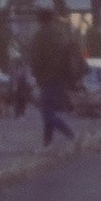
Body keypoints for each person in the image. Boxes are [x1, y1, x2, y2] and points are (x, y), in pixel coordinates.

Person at [27, 10, 82, 148]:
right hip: (61, 77)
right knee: (49, 110)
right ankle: (47, 143)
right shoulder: (61, 34)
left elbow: (36, 60)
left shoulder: (40, 37)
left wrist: (36, 74)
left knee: (46, 113)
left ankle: (71, 135)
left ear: (39, 20)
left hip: (47, 78)